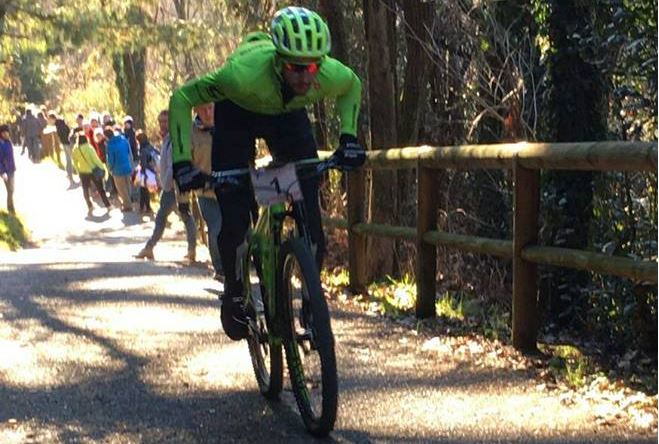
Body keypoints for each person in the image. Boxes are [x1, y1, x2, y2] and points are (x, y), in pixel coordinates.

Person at [168, 6, 366, 340]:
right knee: (235, 218)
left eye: (312, 67)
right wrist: (182, 163)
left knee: (311, 217)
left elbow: (352, 86)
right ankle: (234, 291)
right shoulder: (238, 77)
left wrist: (348, 138)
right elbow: (183, 97)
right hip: (238, 109)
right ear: (278, 61)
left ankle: (311, 303)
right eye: (294, 67)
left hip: (287, 115)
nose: (305, 76)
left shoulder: (327, 74)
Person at [134, 110, 196, 262]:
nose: (162, 124)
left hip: (174, 187)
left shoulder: (174, 140)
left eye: (165, 121)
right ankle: (191, 249)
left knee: (164, 217)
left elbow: (173, 166)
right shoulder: (168, 139)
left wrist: (166, 184)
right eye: (160, 121)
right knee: (185, 217)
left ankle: (149, 247)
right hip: (174, 186)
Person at [190, 103, 223, 280]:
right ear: (196, 110)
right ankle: (220, 268)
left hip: (229, 188)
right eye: (203, 109)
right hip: (206, 192)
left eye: (211, 107)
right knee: (216, 228)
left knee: (240, 229)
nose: (208, 112)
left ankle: (241, 264)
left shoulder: (227, 124)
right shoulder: (190, 132)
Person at [71, 132, 111, 215]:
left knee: (85, 190)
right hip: (93, 171)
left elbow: (74, 162)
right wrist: (102, 167)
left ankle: (89, 206)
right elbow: (95, 159)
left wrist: (78, 170)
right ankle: (108, 205)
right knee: (100, 189)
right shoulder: (89, 148)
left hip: (83, 172)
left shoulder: (75, 149)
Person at [104, 126, 133, 212]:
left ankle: (127, 206)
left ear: (106, 136)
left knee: (121, 188)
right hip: (127, 166)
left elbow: (111, 160)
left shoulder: (110, 146)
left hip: (117, 170)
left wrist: (110, 169)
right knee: (128, 185)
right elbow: (129, 151)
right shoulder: (123, 139)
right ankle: (129, 201)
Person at [135, 129, 160, 215]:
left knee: (143, 190)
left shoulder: (142, 150)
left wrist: (142, 172)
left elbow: (143, 163)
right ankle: (148, 207)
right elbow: (158, 153)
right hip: (153, 170)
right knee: (146, 191)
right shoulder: (150, 146)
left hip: (146, 172)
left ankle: (142, 208)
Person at [0, 125, 16, 214]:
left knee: (12, 189)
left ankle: (11, 207)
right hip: (5, 171)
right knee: (9, 190)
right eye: (4, 133)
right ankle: (10, 208)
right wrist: (2, 172)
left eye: (7, 132)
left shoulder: (8, 142)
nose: (6, 134)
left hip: (11, 169)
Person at [54, 113, 74, 184]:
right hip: (69, 143)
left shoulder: (58, 127)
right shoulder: (64, 126)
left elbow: (59, 136)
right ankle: (71, 174)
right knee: (71, 159)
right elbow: (69, 133)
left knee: (68, 159)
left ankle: (69, 174)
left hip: (64, 144)